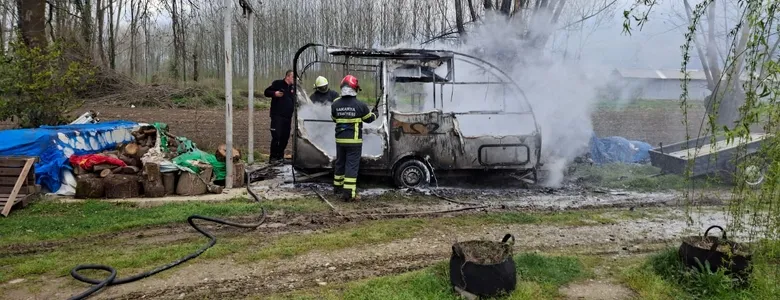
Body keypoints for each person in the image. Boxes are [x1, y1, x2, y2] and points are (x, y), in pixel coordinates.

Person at [331, 75, 377, 201]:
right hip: (354, 141)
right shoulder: (360, 105)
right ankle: (348, 194)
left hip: (340, 140)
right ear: (354, 89)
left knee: (340, 163)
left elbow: (334, 119)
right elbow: (369, 119)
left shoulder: (335, 104)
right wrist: (375, 113)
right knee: (351, 166)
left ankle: (337, 188)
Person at [264, 70, 296, 165]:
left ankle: (280, 156)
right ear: (287, 77)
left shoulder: (293, 88)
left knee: (285, 137)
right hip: (277, 115)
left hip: (288, 117)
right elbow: (266, 92)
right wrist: (275, 94)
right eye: (293, 77)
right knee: (276, 136)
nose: (294, 79)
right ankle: (273, 157)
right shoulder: (278, 83)